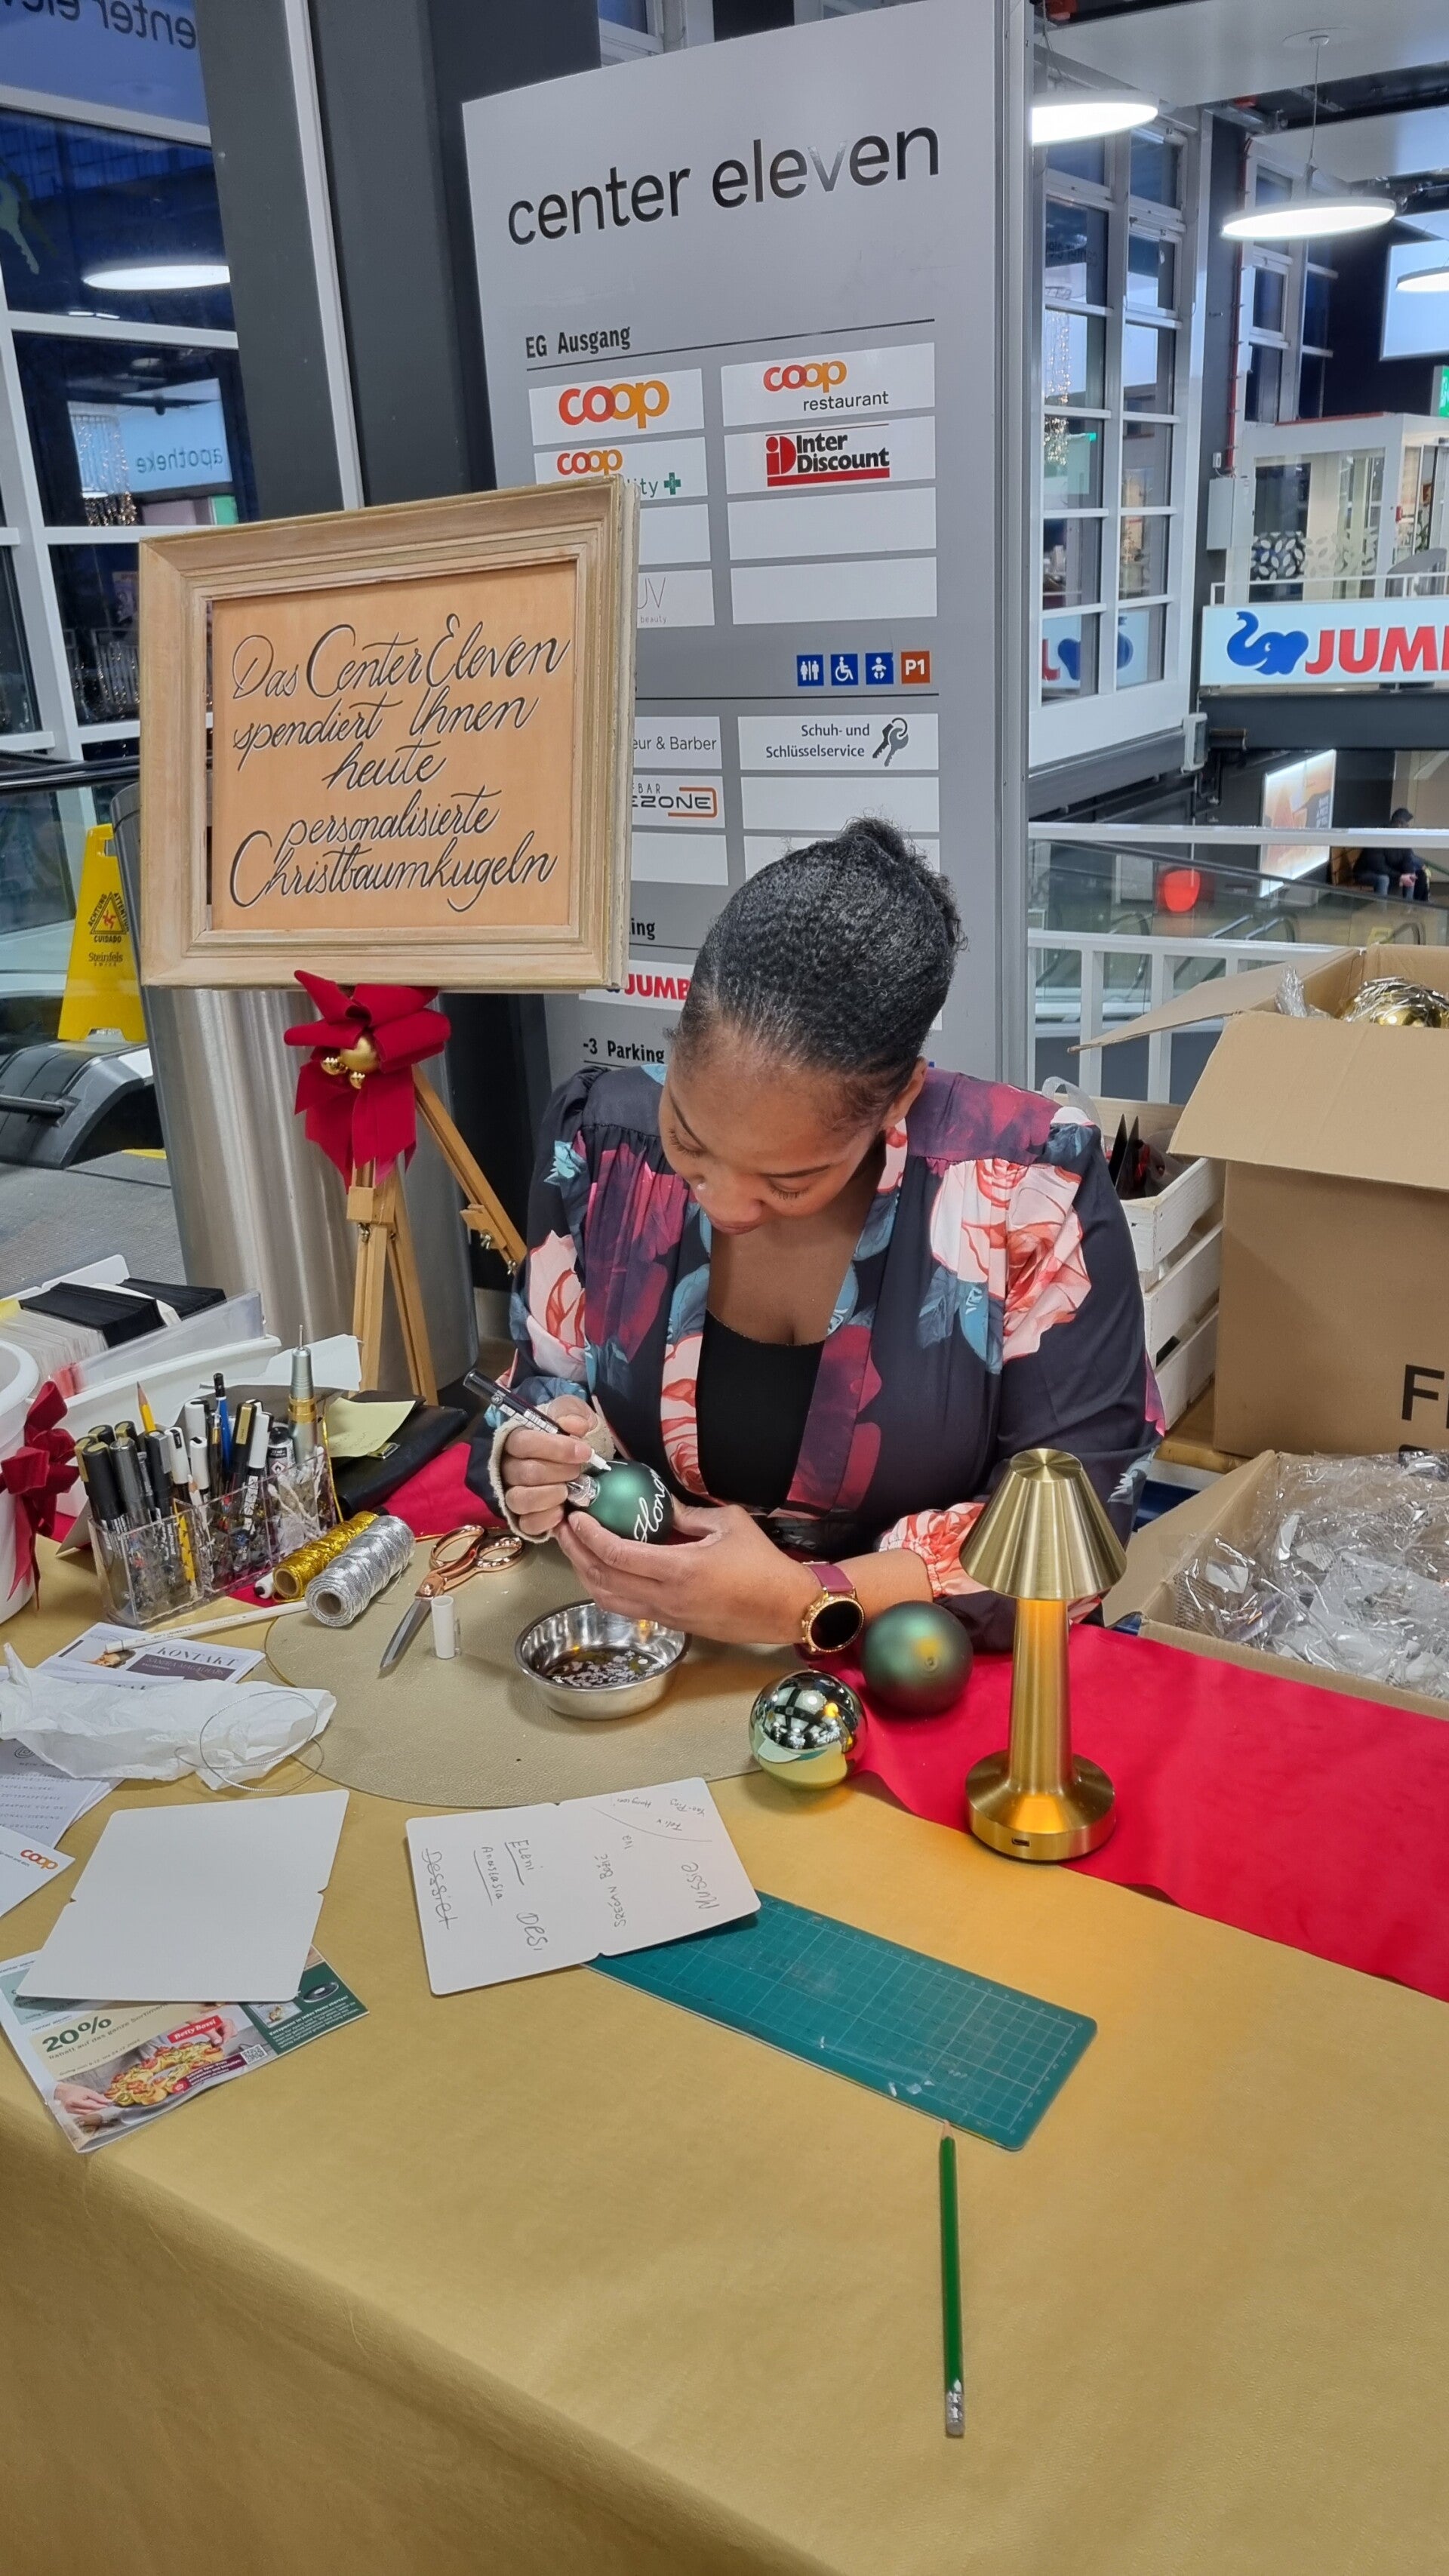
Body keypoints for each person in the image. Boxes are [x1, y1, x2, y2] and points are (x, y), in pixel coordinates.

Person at [467, 820, 1161, 1653]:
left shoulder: (1026, 1185)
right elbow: (543, 1380)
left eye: (789, 1182)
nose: (725, 1203)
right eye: (689, 1138)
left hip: (927, 1673)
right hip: (656, 1646)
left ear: (898, 1101)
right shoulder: (603, 1141)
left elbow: (1079, 1515)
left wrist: (811, 1598)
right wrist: (534, 1457)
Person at [1353, 810, 1429, 902]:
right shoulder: (1379, 837)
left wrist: (1409, 873)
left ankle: (1409, 906)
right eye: (1406, 825)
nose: (1408, 827)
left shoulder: (1403, 839)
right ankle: (1381, 909)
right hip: (1366, 872)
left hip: (1388, 871)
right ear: (1399, 825)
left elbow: (1407, 860)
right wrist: (1400, 876)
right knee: (1383, 879)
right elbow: (1378, 867)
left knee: (1412, 876)